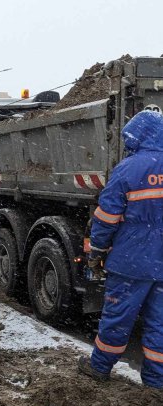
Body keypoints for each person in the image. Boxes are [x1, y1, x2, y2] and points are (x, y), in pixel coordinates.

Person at [78, 110, 163, 389]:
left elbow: (106, 218)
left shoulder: (128, 168)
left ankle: (99, 367)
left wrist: (97, 252)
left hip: (131, 261)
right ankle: (155, 384)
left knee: (118, 318)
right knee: (160, 325)